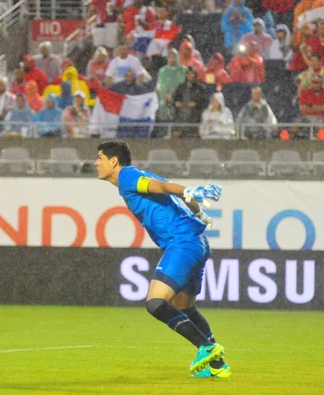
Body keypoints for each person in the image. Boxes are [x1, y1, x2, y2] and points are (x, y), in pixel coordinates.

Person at [93, 140, 231, 379]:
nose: (96, 163)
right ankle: (218, 367)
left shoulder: (126, 176)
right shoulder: (138, 175)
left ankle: (206, 347)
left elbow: (162, 186)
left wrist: (187, 191)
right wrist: (198, 211)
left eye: (100, 157)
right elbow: (166, 189)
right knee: (183, 306)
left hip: (182, 243)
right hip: (197, 242)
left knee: (156, 303)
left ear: (113, 161)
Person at [172, 66, 208, 138]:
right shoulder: (180, 87)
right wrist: (176, 103)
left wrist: (196, 104)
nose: (190, 76)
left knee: (193, 139)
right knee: (176, 136)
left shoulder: (201, 88)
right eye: (188, 74)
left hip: (194, 118)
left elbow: (205, 103)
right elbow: (174, 100)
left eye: (192, 74)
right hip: (180, 117)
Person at [156, 48, 186, 122]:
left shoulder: (183, 70)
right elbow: (159, 85)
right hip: (165, 101)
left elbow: (185, 85)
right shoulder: (162, 71)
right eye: (170, 57)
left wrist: (177, 97)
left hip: (180, 101)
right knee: (165, 122)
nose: (172, 59)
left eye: (174, 57)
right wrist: (165, 94)